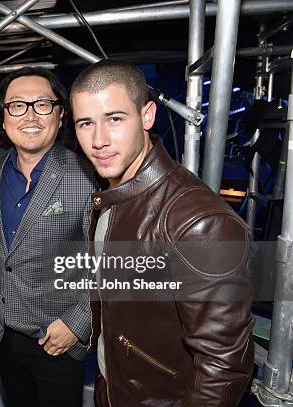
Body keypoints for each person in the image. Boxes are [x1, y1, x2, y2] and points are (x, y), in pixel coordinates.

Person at [70, 59, 254, 406]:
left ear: (147, 116)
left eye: (115, 119)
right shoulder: (111, 196)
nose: (99, 140)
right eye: (85, 124)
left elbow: (224, 366)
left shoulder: (199, 222)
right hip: (114, 388)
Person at [0, 67, 98, 407]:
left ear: (60, 116)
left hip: (56, 338)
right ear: (3, 119)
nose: (30, 115)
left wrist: (77, 323)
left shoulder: (88, 177)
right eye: (17, 105)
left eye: (43, 104)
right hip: (2, 331)